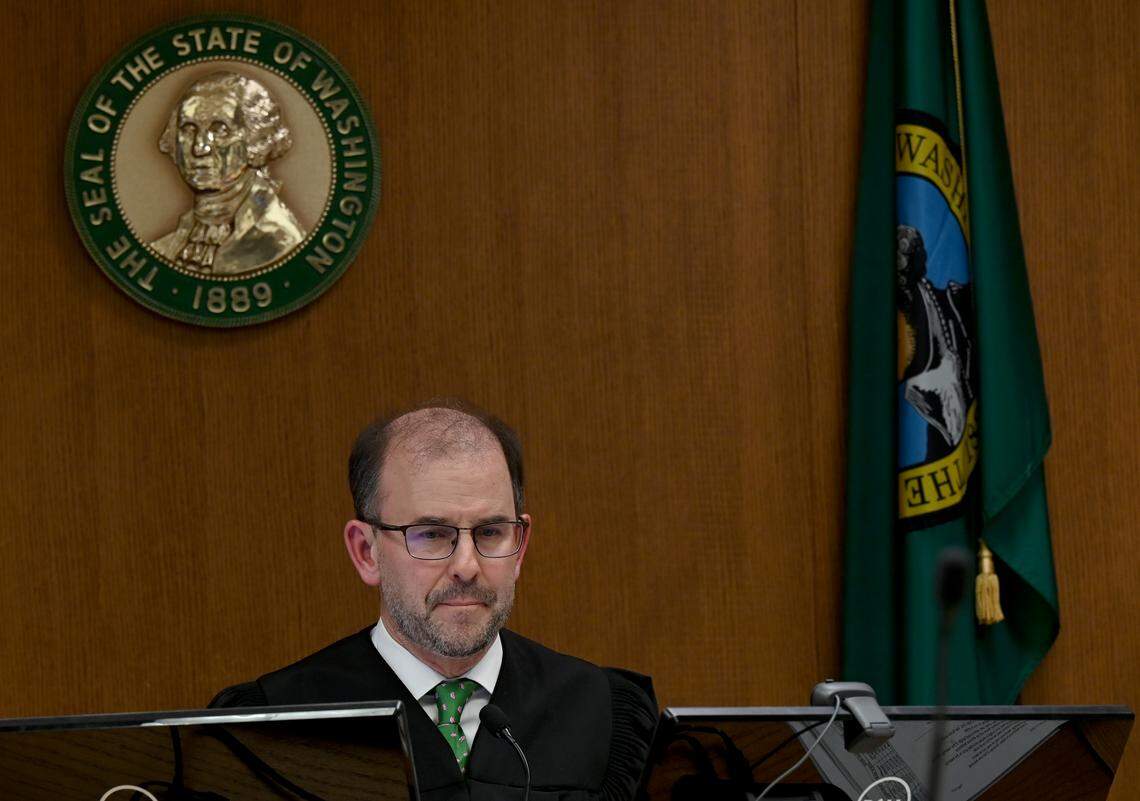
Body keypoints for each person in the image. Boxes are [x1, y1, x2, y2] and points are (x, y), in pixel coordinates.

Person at [211, 400, 658, 800]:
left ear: (519, 547)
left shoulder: (602, 715)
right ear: (366, 552)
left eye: (490, 532)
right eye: (431, 534)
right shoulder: (273, 726)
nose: (467, 565)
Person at [152, 71, 307, 275]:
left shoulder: (282, 244)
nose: (200, 148)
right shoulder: (164, 247)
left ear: (255, 141)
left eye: (220, 130)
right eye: (189, 130)